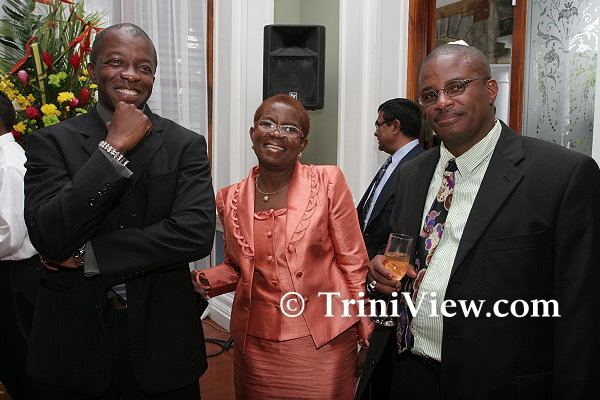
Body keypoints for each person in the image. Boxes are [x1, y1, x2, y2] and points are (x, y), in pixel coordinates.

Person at [367, 44, 600, 399]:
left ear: (491, 90)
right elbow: (402, 264)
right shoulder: (412, 173)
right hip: (408, 374)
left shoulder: (560, 175)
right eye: (430, 95)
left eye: (456, 87)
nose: (442, 102)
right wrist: (379, 277)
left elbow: (582, 312)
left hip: (499, 385)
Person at [23, 23, 215, 400]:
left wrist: (91, 256)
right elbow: (50, 235)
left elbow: (194, 233)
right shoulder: (50, 142)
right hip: (75, 336)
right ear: (92, 69)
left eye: (144, 68)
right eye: (116, 62)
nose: (131, 74)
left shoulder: (185, 144)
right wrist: (113, 148)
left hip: (163, 337)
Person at [192, 94, 373, 400]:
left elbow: (353, 263)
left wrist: (367, 332)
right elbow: (238, 267)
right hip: (255, 345)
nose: (277, 133)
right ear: (253, 134)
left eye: (290, 129)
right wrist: (204, 280)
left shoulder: (328, 181)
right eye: (267, 123)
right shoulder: (229, 198)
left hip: (323, 341)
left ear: (302, 144)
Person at [354, 98, 423, 400]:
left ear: (395, 126)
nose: (375, 132)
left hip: (393, 278)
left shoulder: (421, 165)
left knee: (384, 365)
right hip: (372, 274)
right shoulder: (392, 163)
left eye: (378, 124)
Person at [0, 91, 40, 400]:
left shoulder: (9, 164)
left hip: (16, 277)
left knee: (19, 357)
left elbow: (9, 235)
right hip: (11, 274)